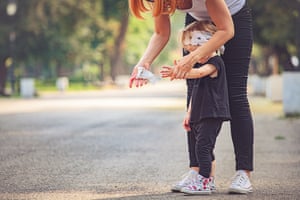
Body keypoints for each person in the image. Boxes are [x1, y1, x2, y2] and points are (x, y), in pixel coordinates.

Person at [128, 0, 254, 194]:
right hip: (197, 23)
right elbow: (161, 33)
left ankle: (243, 173)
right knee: (195, 95)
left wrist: (192, 58)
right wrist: (143, 63)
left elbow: (226, 30)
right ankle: (199, 172)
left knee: (235, 96)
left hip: (232, 20)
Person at [160, 20, 230, 195]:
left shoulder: (215, 62)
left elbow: (199, 73)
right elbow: (195, 92)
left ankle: (203, 182)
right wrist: (189, 114)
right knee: (204, 147)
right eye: (190, 49)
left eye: (197, 47)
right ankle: (208, 180)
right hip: (199, 113)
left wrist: (179, 71)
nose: (194, 51)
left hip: (212, 113)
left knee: (203, 148)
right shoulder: (199, 64)